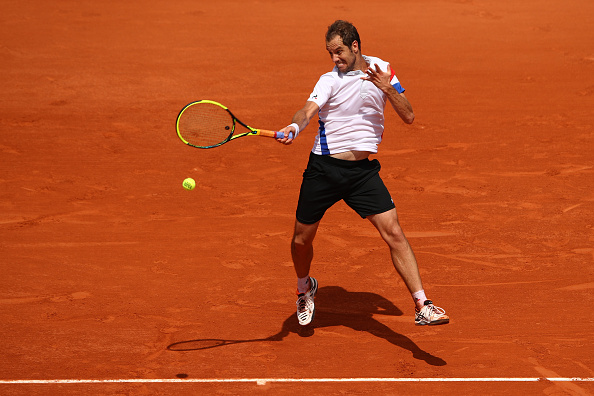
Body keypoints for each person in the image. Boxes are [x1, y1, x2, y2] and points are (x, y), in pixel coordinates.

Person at [276, 20, 449, 327]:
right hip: (324, 169)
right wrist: (294, 126)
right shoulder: (328, 81)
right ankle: (305, 288)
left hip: (361, 175)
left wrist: (386, 86)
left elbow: (408, 114)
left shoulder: (382, 69)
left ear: (355, 46)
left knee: (394, 232)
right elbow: (305, 111)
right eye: (330, 53)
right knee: (301, 240)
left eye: (339, 51)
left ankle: (423, 304)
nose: (334, 59)